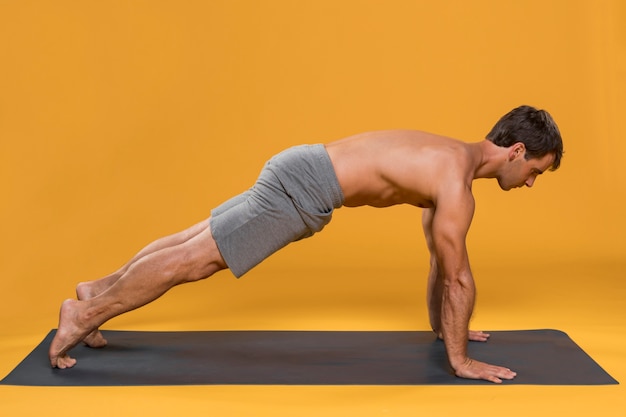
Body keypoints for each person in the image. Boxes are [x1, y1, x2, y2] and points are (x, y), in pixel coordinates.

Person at [49, 105, 563, 383]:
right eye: (535, 172)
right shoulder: (455, 185)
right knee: (196, 260)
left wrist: (446, 330)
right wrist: (460, 361)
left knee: (194, 236)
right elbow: (456, 276)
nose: (531, 184)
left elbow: (438, 261)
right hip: (308, 187)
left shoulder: (448, 159)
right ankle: (85, 315)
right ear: (517, 151)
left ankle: (95, 291)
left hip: (300, 162)